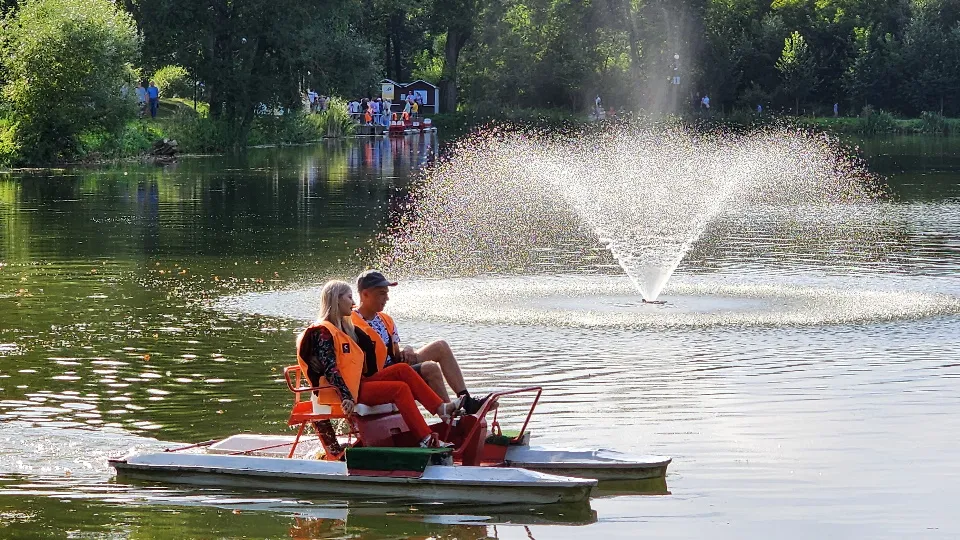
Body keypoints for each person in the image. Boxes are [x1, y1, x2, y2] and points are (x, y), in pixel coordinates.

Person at [297, 281, 462, 450]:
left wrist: (406, 349)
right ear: (336, 300)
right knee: (400, 389)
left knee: (402, 370)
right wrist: (346, 396)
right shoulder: (322, 332)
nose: (353, 303)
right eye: (349, 297)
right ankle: (426, 438)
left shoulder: (345, 328)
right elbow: (331, 369)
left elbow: (369, 348)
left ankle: (441, 408)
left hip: (357, 384)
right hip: (344, 392)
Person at [351, 270, 490, 414]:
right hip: (377, 377)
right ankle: (450, 416)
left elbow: (396, 355)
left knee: (440, 346)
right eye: (381, 293)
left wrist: (408, 349)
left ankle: (466, 401)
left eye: (386, 293)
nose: (387, 298)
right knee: (430, 368)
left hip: (395, 367)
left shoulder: (385, 319)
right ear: (365, 294)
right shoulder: (350, 323)